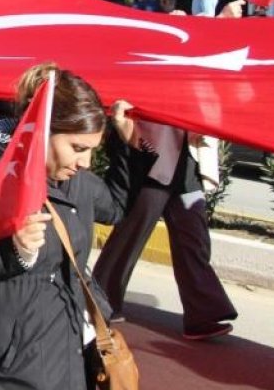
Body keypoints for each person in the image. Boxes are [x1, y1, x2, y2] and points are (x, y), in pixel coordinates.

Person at [0, 63, 131, 389]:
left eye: (92, 151)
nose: (85, 163)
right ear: (43, 131)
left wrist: (126, 148)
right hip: (2, 369)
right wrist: (13, 251)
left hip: (65, 353)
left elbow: (116, 208)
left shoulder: (76, 180)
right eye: (78, 148)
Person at [92, 118, 238, 339]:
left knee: (194, 238)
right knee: (131, 233)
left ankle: (202, 314)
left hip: (189, 162)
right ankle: (99, 301)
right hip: (152, 155)